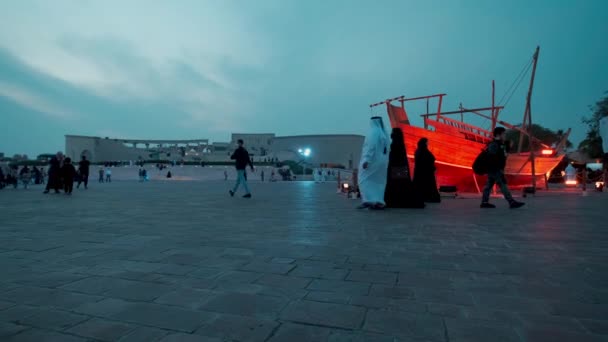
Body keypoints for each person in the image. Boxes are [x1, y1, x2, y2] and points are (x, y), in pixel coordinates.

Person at [481, 127, 525, 209]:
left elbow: (503, 154)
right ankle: (511, 202)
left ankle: (484, 202)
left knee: (489, 185)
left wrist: (508, 147)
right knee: (502, 184)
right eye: (503, 134)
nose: (505, 135)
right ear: (498, 134)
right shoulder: (494, 144)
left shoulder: (501, 144)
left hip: (495, 169)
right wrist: (496, 168)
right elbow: (491, 157)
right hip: (495, 169)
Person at [384, 128, 425, 208]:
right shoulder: (401, 144)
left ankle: (395, 201)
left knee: (395, 185)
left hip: (395, 169)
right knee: (402, 185)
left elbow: (393, 157)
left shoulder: (394, 144)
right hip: (401, 169)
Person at [358, 116, 390, 209]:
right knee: (379, 182)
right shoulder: (384, 133)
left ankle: (368, 200)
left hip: (373, 161)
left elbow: (370, 147)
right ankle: (378, 201)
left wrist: (367, 160)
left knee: (363, 179)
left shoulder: (373, 132)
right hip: (382, 161)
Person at [413, 138, 441, 203]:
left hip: (420, 172)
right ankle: (428, 197)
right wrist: (433, 168)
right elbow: (430, 159)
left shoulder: (418, 151)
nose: (428, 144)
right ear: (424, 143)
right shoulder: (424, 151)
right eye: (427, 142)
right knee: (428, 185)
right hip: (426, 173)